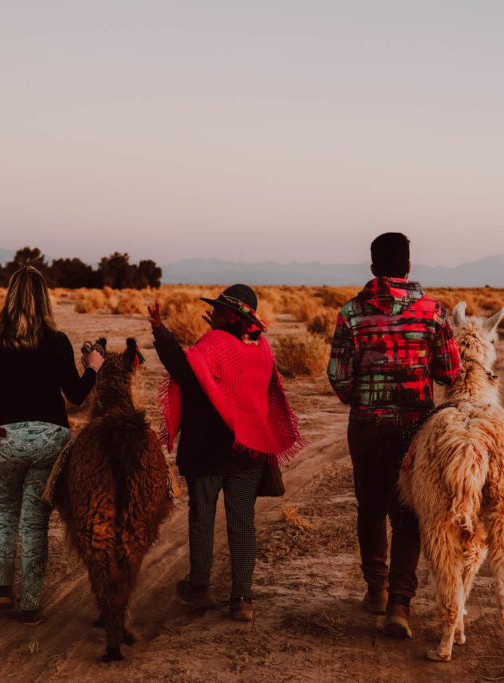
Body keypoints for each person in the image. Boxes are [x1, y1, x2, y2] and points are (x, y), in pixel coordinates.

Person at [327, 232, 462, 639]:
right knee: (409, 515)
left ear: (372, 268)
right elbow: (449, 373)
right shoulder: (433, 312)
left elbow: (338, 374)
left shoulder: (351, 312)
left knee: (369, 506)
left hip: (367, 426)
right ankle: (399, 604)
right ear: (408, 267)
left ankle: (375, 588)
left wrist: (362, 397)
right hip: (415, 431)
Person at [148, 284, 302, 622]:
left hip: (207, 450)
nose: (212, 314)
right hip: (247, 449)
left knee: (202, 518)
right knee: (242, 523)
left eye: (218, 311)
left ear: (229, 316)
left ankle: (200, 586)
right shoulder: (261, 348)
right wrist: (218, 330)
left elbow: (183, 369)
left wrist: (161, 331)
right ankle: (242, 598)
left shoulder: (214, 343)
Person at [0, 266, 103, 624]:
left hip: (4, 440)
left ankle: (3, 592)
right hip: (47, 442)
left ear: (10, 296)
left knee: (5, 515)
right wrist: (93, 368)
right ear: (44, 298)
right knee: (35, 523)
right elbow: (75, 397)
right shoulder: (56, 340)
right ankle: (31, 605)